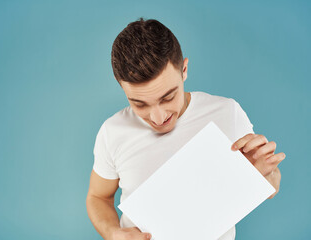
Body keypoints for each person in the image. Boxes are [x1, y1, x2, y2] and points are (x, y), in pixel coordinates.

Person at [86, 17, 285, 240]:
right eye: (139, 104)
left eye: (168, 97)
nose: (158, 117)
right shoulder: (113, 132)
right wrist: (113, 233)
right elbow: (98, 197)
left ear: (184, 70)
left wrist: (265, 172)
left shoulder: (226, 113)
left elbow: (272, 187)